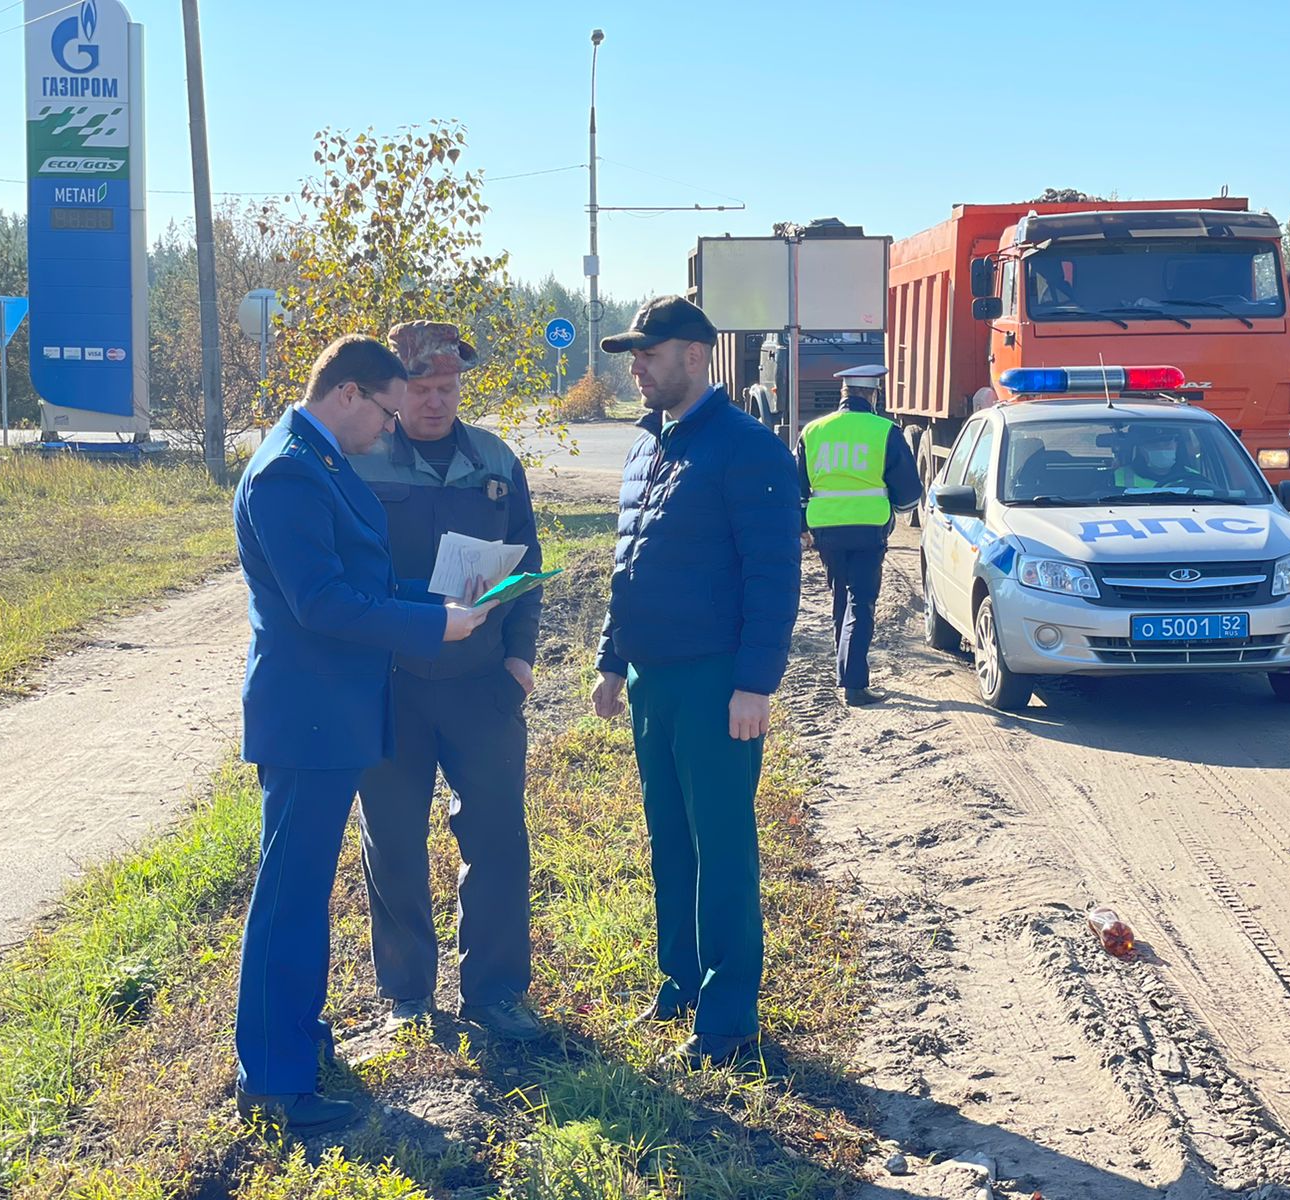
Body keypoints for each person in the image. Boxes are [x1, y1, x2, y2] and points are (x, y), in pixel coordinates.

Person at [232, 334, 490, 1135]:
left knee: (304, 894)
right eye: (383, 410)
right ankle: (274, 1083)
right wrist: (428, 626)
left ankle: (298, 1045)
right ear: (347, 393)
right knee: (288, 898)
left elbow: (364, 580)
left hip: (331, 714)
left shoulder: (321, 460)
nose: (388, 429)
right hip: (308, 718)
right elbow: (322, 603)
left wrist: (443, 598)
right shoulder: (287, 473)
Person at [590, 295, 800, 1069]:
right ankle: (679, 984)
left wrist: (755, 682)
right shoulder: (648, 445)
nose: (636, 366)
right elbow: (629, 562)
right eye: (633, 354)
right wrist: (614, 661)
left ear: (697, 355)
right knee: (670, 842)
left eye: (649, 352)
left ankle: (727, 1021)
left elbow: (775, 576)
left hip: (717, 684)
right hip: (653, 681)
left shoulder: (747, 449)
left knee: (722, 849)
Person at [348, 321, 544, 1042]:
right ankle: (407, 995)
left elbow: (527, 561)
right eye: (422, 388)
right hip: (390, 684)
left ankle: (496, 993)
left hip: (481, 683)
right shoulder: (361, 456)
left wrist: (520, 657)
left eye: (449, 387)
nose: (436, 402)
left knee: (496, 840)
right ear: (395, 390)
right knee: (393, 842)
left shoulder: (492, 459)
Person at [797, 364, 922, 707]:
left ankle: (844, 672)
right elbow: (909, 495)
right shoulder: (885, 431)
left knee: (840, 597)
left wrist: (803, 528)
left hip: (826, 531)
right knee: (861, 602)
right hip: (868, 531)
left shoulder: (813, 431)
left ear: (844, 394)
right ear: (872, 394)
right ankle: (855, 684)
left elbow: (798, 487)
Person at [1114, 426, 1210, 490]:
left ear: (1176, 445)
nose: (1162, 449)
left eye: (1167, 444)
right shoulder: (1116, 477)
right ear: (1141, 449)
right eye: (1154, 446)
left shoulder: (1195, 478)